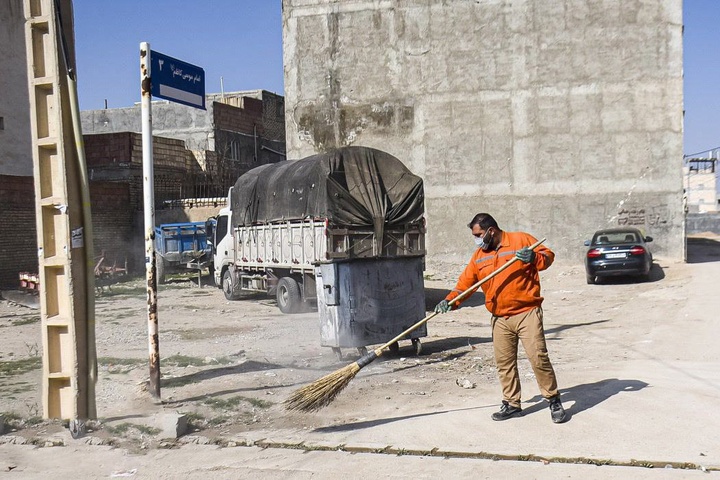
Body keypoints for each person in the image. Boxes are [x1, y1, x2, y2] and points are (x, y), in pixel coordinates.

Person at [434, 213, 567, 423]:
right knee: (504, 363)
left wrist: (534, 258)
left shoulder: (521, 240)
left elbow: (548, 257)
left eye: (478, 234)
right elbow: (466, 284)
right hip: (499, 318)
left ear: (491, 231)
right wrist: (450, 301)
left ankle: (553, 400)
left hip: (527, 313)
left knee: (538, 358)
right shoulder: (479, 256)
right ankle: (512, 403)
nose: (476, 239)